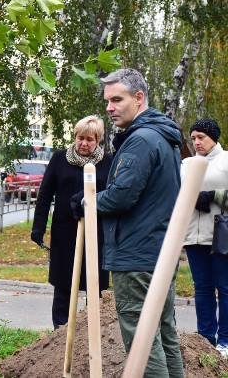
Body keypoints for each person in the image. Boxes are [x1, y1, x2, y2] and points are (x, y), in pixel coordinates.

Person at [76, 68, 184, 376]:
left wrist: (88, 202)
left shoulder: (142, 141)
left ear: (139, 98)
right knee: (163, 333)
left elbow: (122, 196)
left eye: (117, 99)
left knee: (142, 341)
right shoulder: (164, 136)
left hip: (136, 254)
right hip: (157, 252)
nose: (109, 108)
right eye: (107, 101)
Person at [31, 115, 112, 329]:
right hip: (64, 232)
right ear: (74, 137)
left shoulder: (107, 162)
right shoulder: (59, 159)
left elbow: (113, 196)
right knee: (64, 284)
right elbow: (45, 194)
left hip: (97, 233)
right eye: (80, 138)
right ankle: (61, 331)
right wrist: (38, 228)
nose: (84, 143)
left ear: (98, 140)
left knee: (95, 284)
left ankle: (93, 331)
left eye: (90, 139)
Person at [181, 118, 228, 355]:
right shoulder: (187, 164)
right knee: (202, 288)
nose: (196, 142)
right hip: (193, 236)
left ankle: (225, 341)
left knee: (225, 287)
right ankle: (205, 338)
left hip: (220, 235)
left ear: (214, 137)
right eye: (193, 138)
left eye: (201, 137)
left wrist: (212, 196)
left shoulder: (226, 161)